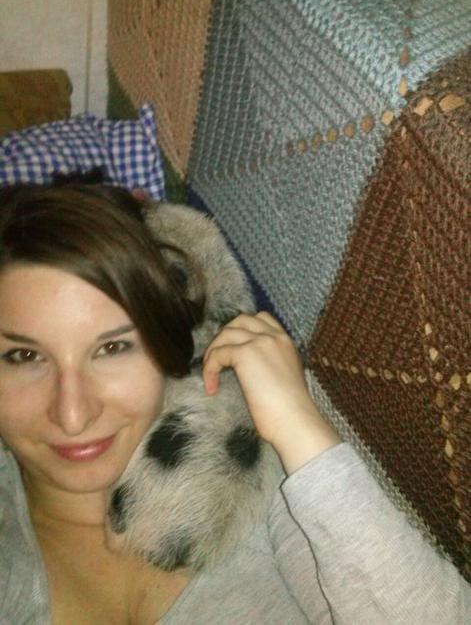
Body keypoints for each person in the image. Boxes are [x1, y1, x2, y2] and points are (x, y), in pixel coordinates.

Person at [0, 182, 469, 625]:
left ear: (170, 343)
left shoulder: (252, 459)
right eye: (24, 357)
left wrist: (301, 429)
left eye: (112, 348)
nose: (73, 414)